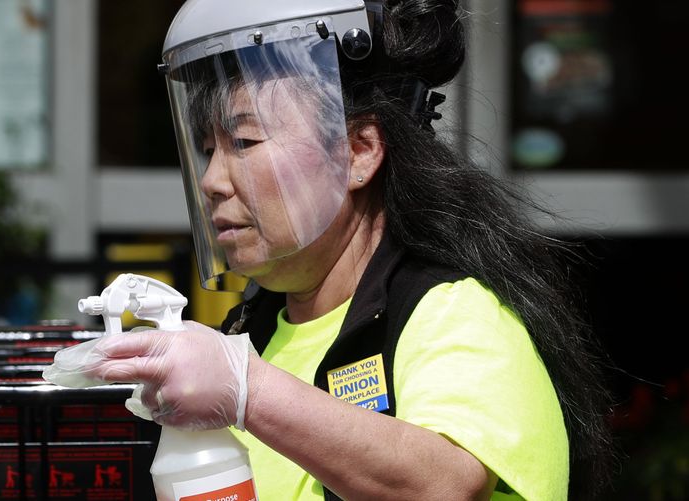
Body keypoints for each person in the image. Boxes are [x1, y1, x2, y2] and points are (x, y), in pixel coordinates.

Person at [82, 0, 613, 499]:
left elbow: (444, 485)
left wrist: (249, 390)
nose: (213, 180)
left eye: (243, 142)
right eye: (206, 149)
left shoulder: (451, 311)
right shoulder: (253, 331)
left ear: (359, 151)